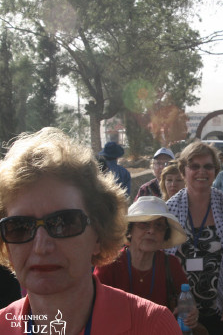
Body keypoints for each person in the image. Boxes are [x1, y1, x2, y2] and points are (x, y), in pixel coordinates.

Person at [0, 128, 181, 335]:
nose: (41, 247)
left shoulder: (152, 326)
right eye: (20, 228)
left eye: (64, 223)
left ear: (98, 234)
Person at [166, 142, 223, 335]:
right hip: (179, 311)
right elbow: (158, 260)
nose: (202, 171)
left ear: (215, 171)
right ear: (183, 170)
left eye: (208, 166)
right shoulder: (168, 211)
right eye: (194, 166)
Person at [94, 196, 199, 330]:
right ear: (130, 230)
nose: (151, 231)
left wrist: (191, 314)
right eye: (144, 224)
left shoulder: (171, 264)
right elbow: (94, 308)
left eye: (159, 226)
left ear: (164, 235)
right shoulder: (109, 263)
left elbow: (187, 303)